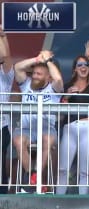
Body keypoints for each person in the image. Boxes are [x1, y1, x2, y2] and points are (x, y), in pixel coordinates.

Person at [56, 36, 89, 195]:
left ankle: (83, 201)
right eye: (80, 65)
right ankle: (58, 200)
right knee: (63, 169)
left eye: (86, 64)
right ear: (74, 69)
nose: (83, 67)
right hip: (70, 128)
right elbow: (61, 107)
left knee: (86, 170)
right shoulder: (67, 86)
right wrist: (67, 96)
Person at [12, 50, 63, 191]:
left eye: (39, 74)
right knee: (18, 140)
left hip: (46, 127)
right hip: (26, 127)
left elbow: (58, 79)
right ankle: (32, 176)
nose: (34, 76)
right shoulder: (26, 85)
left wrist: (47, 61)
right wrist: (37, 59)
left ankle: (37, 176)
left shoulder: (54, 88)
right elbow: (17, 67)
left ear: (48, 77)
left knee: (47, 139)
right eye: (33, 73)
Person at [0, 27, 14, 194]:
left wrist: (3, 36)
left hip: (1, 126)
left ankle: (1, 196)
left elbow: (5, 56)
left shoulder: (6, 76)